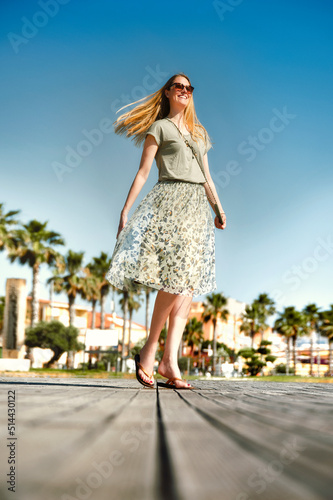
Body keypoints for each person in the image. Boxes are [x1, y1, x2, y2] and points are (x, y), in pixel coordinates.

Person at [106, 73, 226, 389]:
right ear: (168, 92)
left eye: (189, 88)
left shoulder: (199, 133)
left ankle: (169, 361)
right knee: (175, 278)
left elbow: (206, 177)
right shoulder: (159, 128)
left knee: (188, 282)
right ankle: (149, 351)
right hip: (169, 203)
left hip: (197, 208)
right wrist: (125, 209)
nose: (184, 91)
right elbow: (143, 172)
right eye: (179, 87)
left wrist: (219, 209)